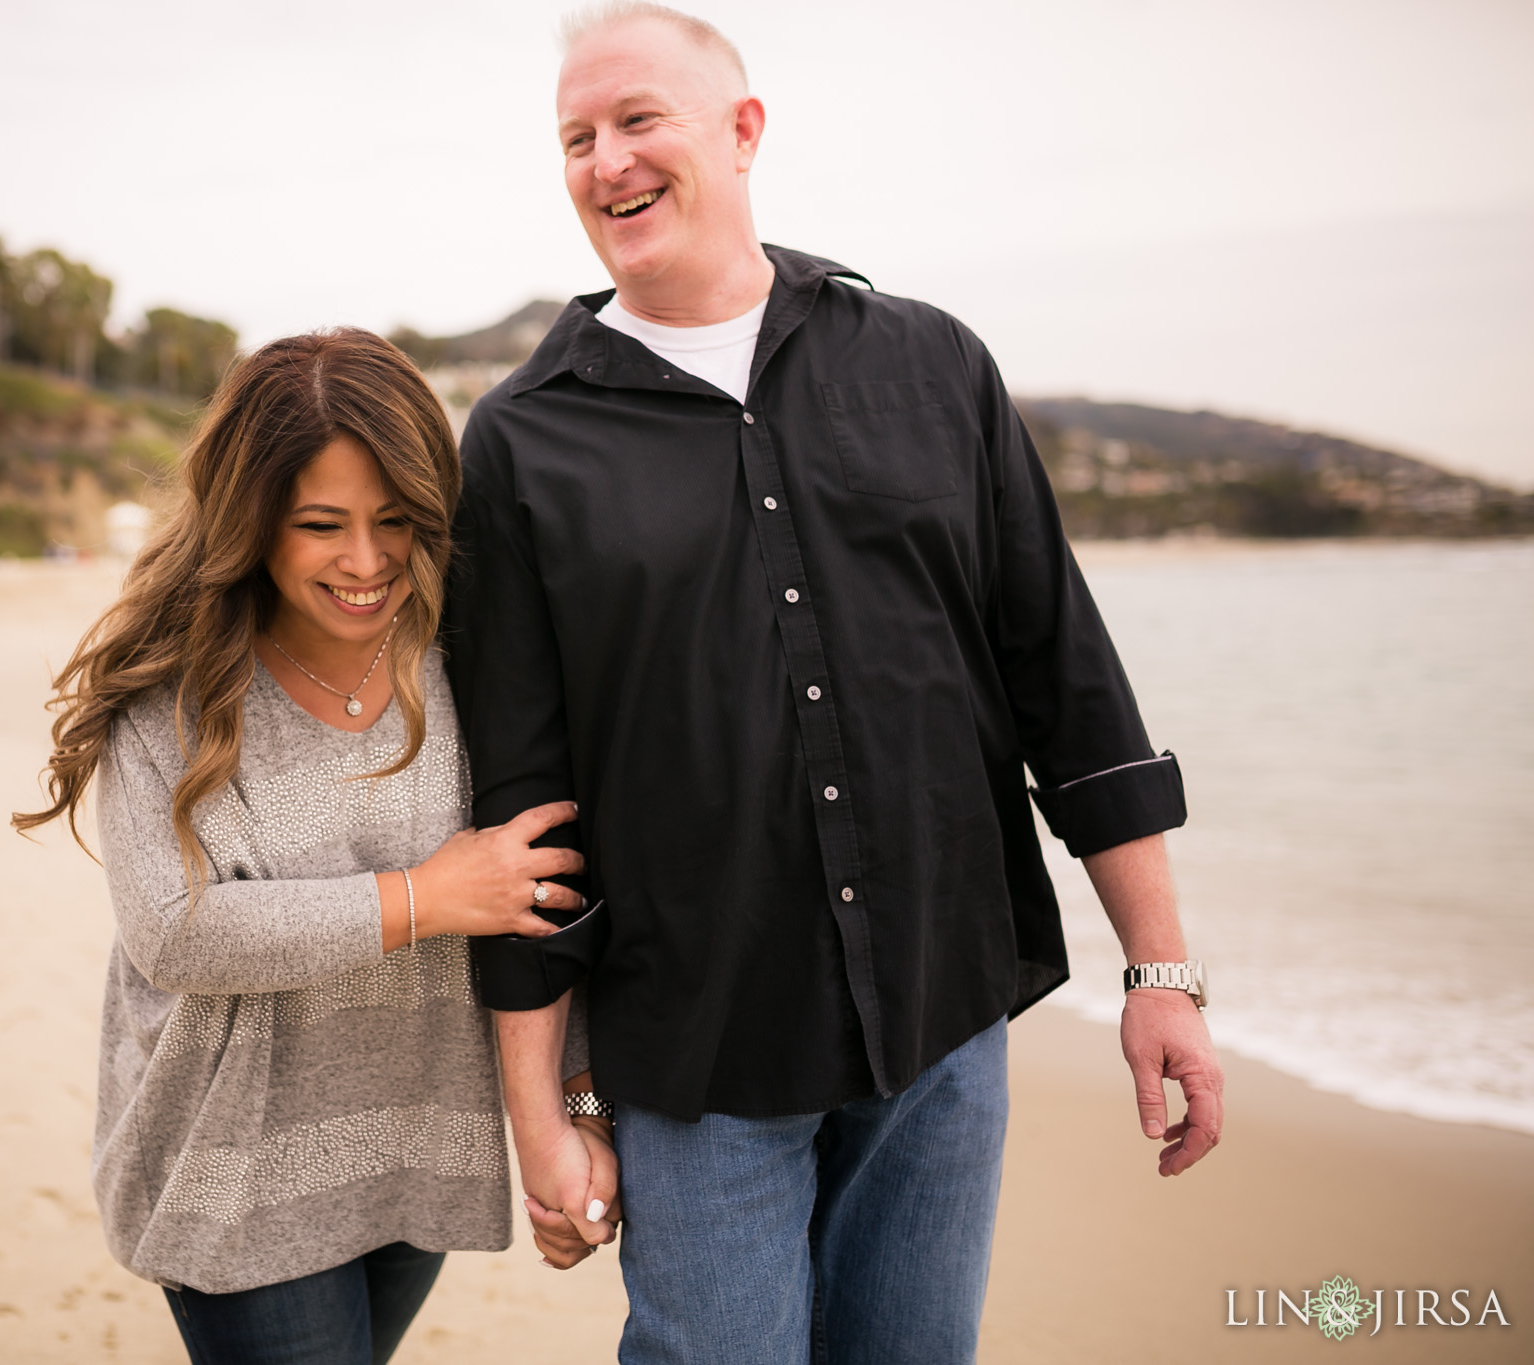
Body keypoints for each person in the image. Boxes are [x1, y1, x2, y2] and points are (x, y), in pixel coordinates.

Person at [445, 4, 1226, 1362]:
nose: (604, 160)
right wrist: (543, 1114)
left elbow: (1069, 684)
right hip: (699, 1057)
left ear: (743, 131)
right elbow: (525, 804)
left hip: (941, 1022)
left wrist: (1160, 972)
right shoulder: (520, 442)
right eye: (575, 137)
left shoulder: (930, 365)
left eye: (637, 120)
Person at [14, 328, 589, 1365]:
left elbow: (543, 904)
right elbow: (175, 932)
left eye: (397, 522)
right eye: (320, 524)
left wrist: (580, 1116)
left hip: (414, 1155)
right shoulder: (172, 694)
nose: (366, 563)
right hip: (233, 1182)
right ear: (251, 523)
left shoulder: (470, 657)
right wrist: (422, 897)